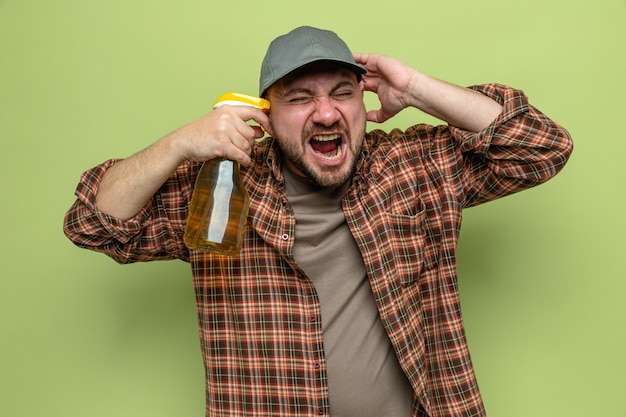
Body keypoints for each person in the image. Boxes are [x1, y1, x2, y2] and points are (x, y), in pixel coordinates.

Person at [63, 26, 573, 417]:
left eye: (342, 92)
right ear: (265, 113)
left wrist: (416, 88)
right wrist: (178, 145)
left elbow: (541, 148)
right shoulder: (219, 187)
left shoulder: (413, 168)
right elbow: (92, 222)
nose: (326, 114)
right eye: (301, 98)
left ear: (361, 101)